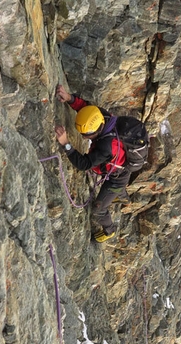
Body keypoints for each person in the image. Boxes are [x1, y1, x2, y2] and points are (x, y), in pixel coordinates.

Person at [54, 84, 131, 243]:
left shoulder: (105, 148)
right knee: (116, 188)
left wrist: (66, 143)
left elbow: (84, 164)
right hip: (119, 167)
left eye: (85, 135)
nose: (82, 138)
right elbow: (86, 108)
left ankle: (109, 231)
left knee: (99, 209)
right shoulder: (101, 116)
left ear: (95, 132)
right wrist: (69, 98)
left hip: (117, 177)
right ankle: (122, 197)